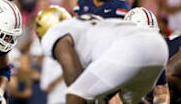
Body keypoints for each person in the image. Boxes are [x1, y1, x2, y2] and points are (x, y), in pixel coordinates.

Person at [37, 6, 168, 104]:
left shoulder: (55, 33)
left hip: (130, 49)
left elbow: (74, 80)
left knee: (75, 93)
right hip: (159, 47)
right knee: (127, 102)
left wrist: (80, 92)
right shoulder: (92, 25)